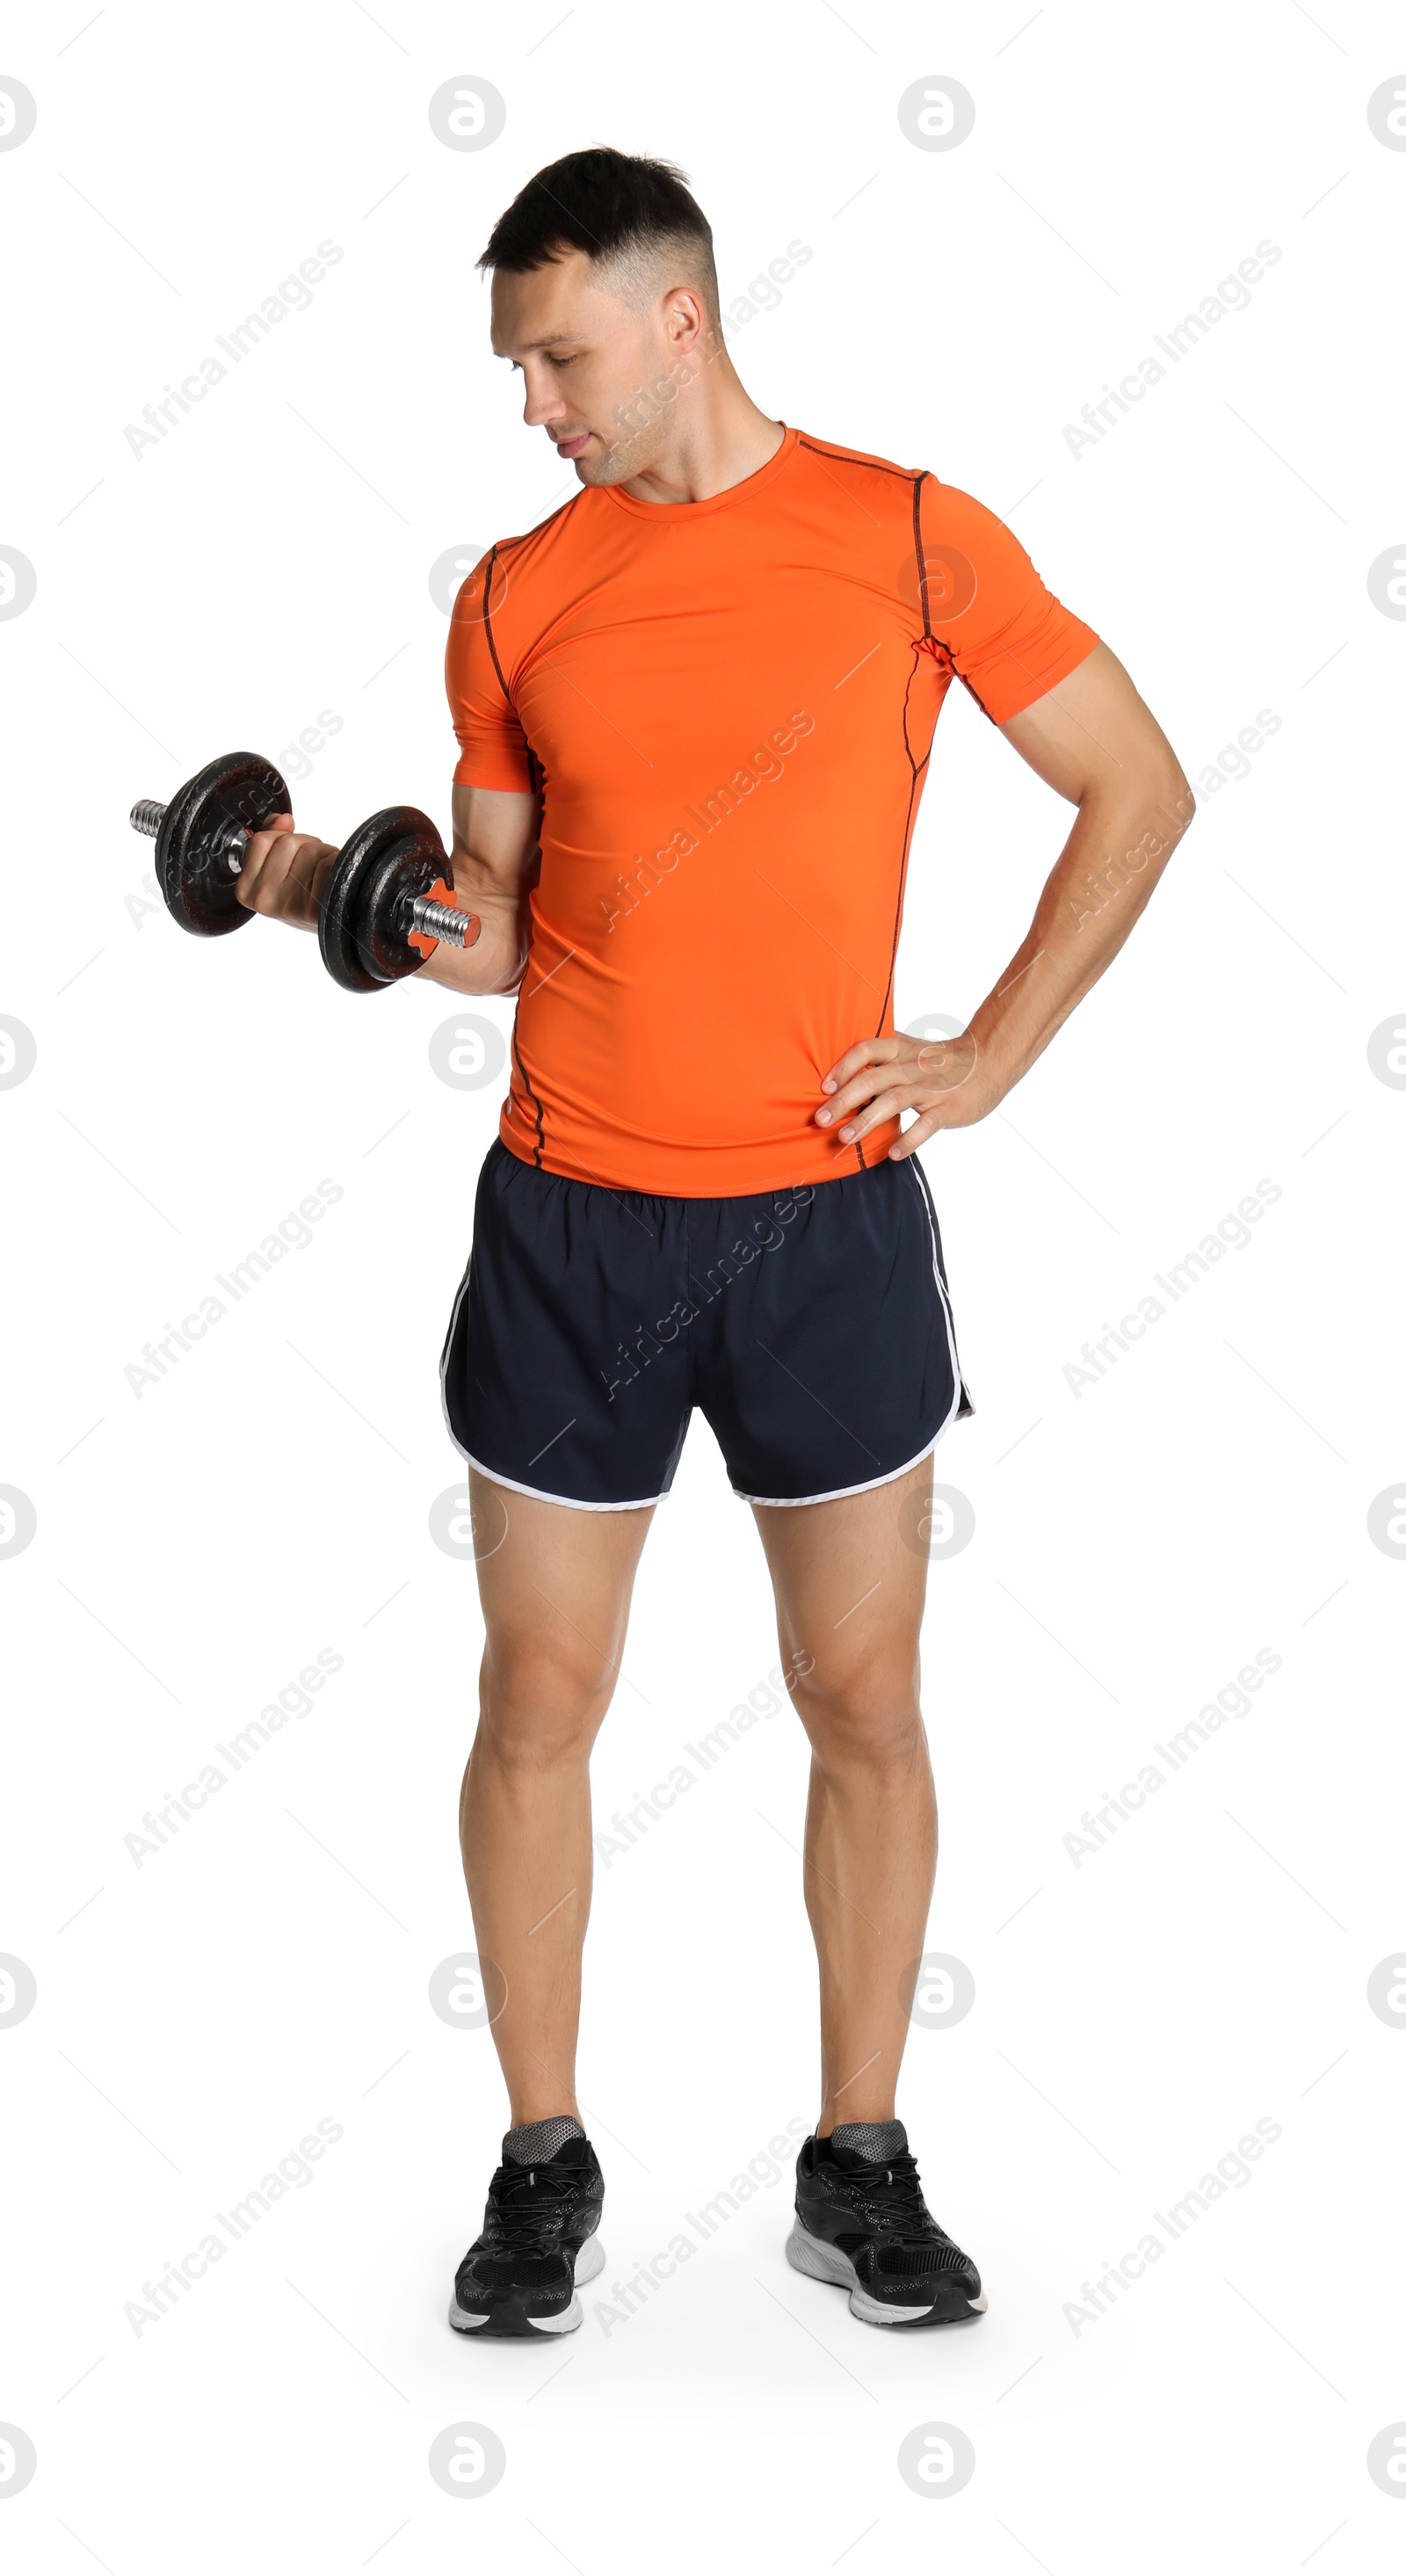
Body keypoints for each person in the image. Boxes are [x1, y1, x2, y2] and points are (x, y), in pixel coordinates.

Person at [234, 147, 1193, 2339]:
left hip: (823, 1222)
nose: (534, 403)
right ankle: (540, 2158)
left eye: (554, 356)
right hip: (570, 1211)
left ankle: (854, 2155)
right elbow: (477, 934)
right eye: (514, 367)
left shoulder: (910, 535)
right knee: (539, 1694)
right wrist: (299, 878)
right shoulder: (509, 594)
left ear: (677, 315)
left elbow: (1132, 782)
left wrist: (983, 1057)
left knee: (860, 1691)